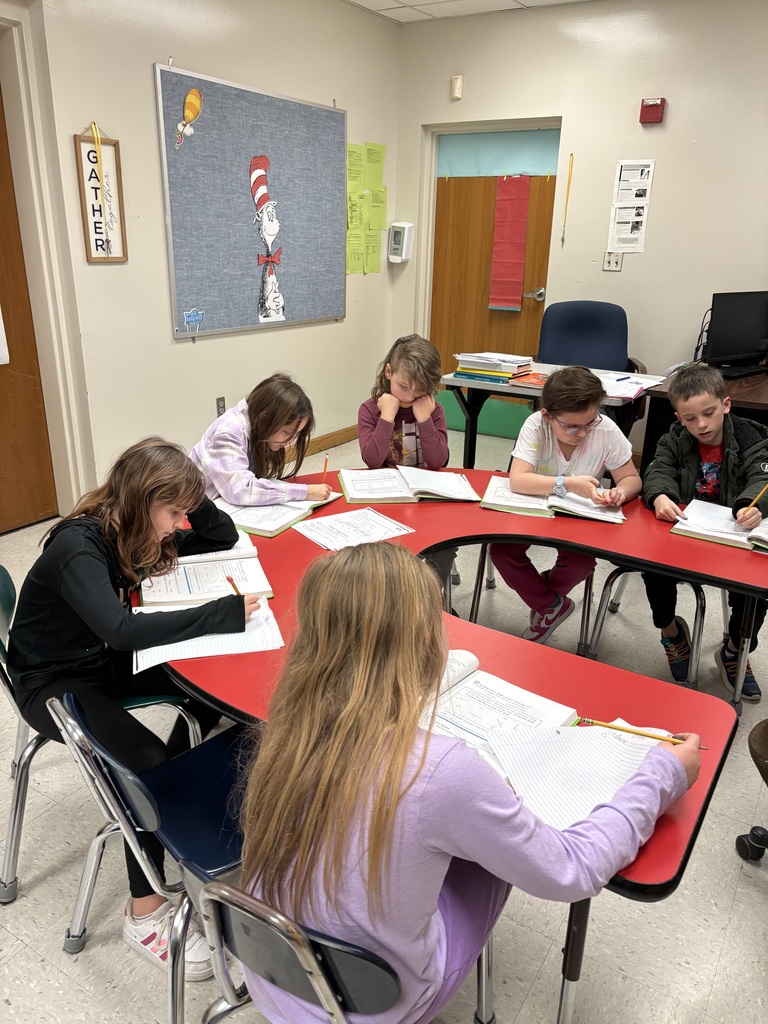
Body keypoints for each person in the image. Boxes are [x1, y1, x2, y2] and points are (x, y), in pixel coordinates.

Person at [238, 542, 700, 1024]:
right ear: (423, 643)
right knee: (492, 860)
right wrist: (662, 773)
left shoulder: (288, 728)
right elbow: (571, 872)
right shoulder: (439, 770)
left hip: (273, 974)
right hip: (371, 1005)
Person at [7, 437, 261, 979]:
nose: (177, 526)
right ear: (141, 499)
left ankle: (169, 800)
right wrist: (221, 614)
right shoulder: (80, 546)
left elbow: (222, 534)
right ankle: (143, 912)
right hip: (49, 682)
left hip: (91, 660)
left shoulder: (133, 528)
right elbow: (120, 632)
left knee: (202, 692)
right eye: (172, 512)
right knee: (141, 760)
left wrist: (189, 490)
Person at [642, 363, 768, 701]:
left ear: (725, 405)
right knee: (651, 563)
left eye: (709, 414)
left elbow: (762, 478)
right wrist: (661, 496)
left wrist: (749, 505)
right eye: (690, 417)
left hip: (732, 536)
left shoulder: (748, 436)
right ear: (679, 416)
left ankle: (734, 648)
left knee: (758, 587)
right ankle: (671, 632)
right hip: (686, 533)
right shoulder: (674, 438)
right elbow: (657, 471)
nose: (701, 425)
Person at [490, 366, 642, 643]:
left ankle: (547, 602)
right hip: (532, 509)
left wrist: (620, 491)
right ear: (548, 415)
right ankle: (552, 606)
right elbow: (518, 480)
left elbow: (632, 478)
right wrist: (568, 484)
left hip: (577, 517)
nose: (582, 433)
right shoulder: (536, 425)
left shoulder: (606, 430)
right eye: (572, 426)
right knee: (502, 552)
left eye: (589, 423)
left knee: (581, 563)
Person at [190, 372, 331, 506]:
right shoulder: (228, 432)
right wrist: (305, 492)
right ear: (265, 418)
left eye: (296, 434)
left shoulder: (255, 426)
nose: (292, 440)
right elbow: (240, 491)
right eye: (287, 432)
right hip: (189, 512)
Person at [358, 333, 449, 471]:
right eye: (403, 386)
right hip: (388, 485)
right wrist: (386, 418)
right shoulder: (369, 410)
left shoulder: (433, 410)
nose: (410, 396)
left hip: (423, 485)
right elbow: (372, 462)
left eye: (420, 389)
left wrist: (425, 419)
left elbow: (438, 463)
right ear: (388, 372)